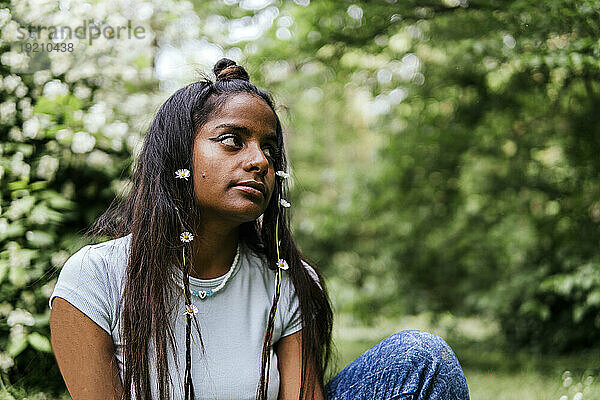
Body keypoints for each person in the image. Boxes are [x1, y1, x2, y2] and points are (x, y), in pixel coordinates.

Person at [48, 58, 470, 400]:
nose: (260, 161)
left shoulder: (289, 281)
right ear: (178, 155)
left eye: (269, 148)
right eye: (233, 139)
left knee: (420, 358)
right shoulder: (97, 277)